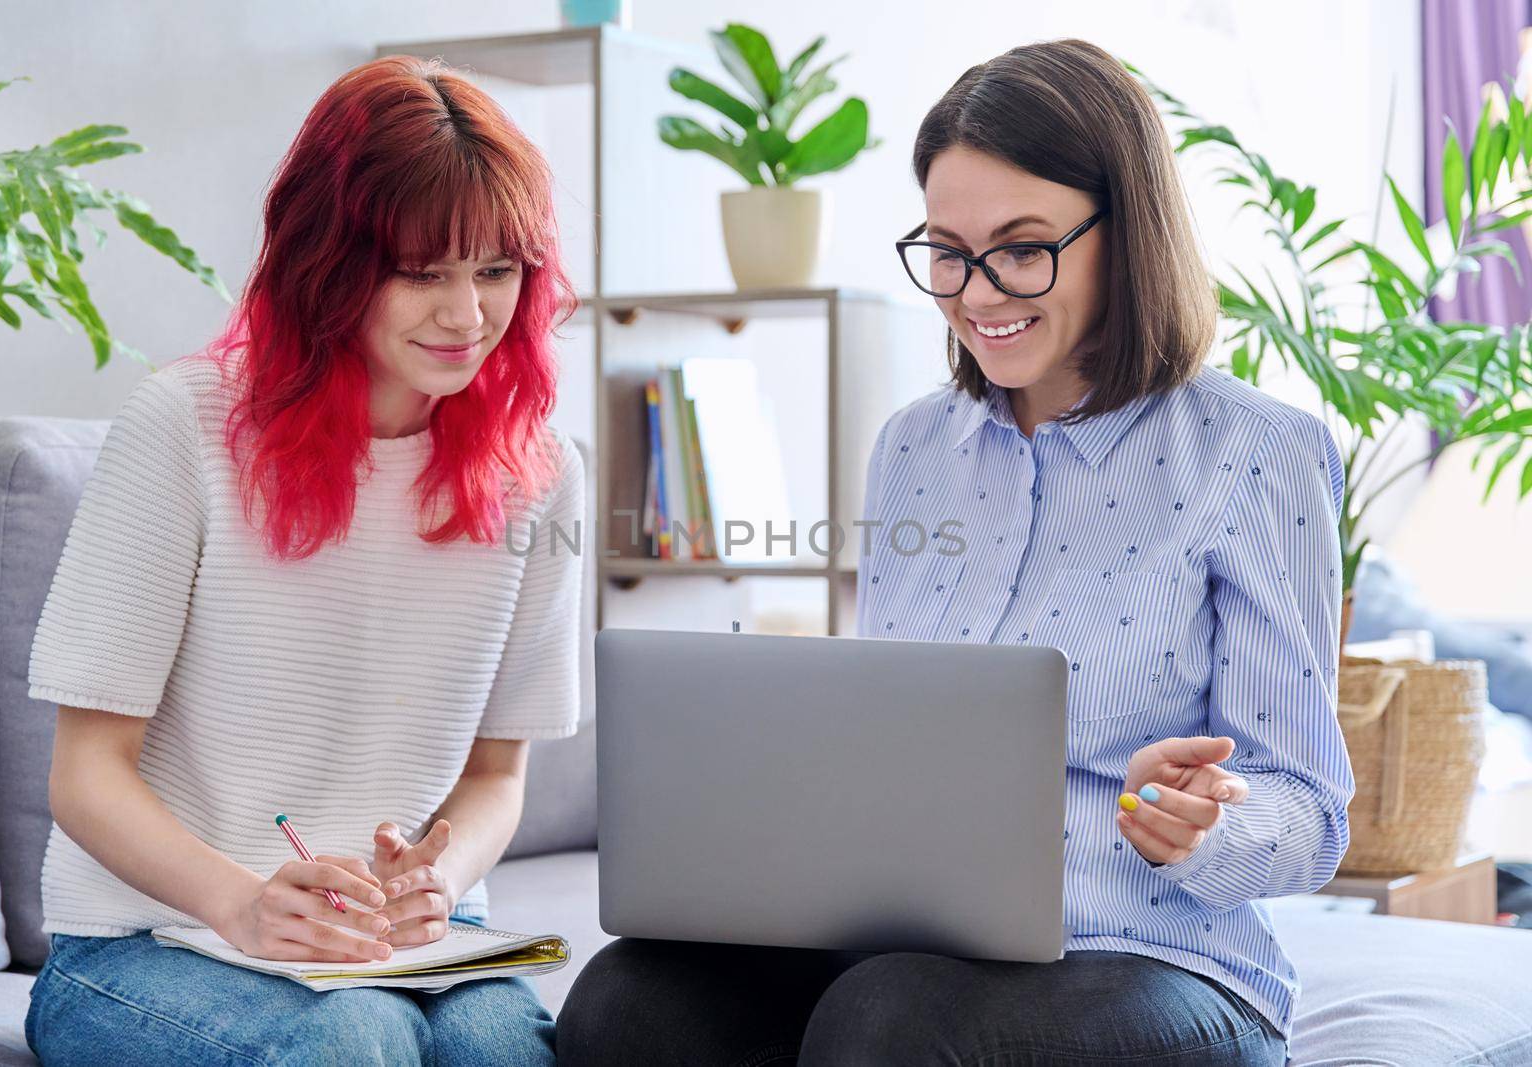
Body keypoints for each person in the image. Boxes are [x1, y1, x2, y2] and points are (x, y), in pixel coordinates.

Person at [557, 38, 1352, 1066]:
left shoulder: (1255, 453)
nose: (977, 291)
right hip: (913, 946)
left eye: (1022, 247)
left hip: (1159, 957)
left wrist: (1209, 822)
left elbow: (1312, 816)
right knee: (630, 995)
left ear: (1128, 232)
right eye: (946, 250)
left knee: (890, 1021)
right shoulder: (913, 448)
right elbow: (888, 745)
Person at [23, 54, 583, 1066]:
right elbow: (83, 772)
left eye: (496, 270)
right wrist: (242, 905)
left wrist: (440, 877)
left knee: (504, 1041)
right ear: (328, 262)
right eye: (422, 272)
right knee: (354, 1036)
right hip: (144, 944)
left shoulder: (538, 472)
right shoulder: (183, 426)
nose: (467, 316)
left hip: (402, 947)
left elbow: (499, 772)